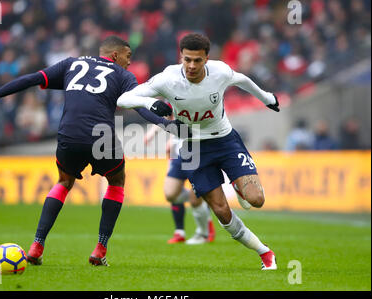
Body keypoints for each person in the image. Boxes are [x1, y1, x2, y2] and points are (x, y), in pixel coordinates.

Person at [0, 36, 177, 266]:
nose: (129, 62)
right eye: (128, 56)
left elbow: (29, 80)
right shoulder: (123, 76)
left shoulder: (71, 64)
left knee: (64, 182)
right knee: (116, 182)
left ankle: (36, 245)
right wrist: (168, 126)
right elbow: (140, 107)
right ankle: (100, 248)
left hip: (69, 134)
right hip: (100, 137)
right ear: (116, 55)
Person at [117, 33, 279, 270]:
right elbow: (123, 99)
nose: (191, 66)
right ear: (181, 57)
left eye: (197, 61)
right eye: (187, 60)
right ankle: (264, 252)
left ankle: (236, 184)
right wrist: (149, 103)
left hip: (225, 141)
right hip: (193, 148)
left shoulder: (220, 72)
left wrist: (266, 98)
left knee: (257, 199)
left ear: (207, 59)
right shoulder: (168, 79)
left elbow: (242, 79)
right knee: (222, 211)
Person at [144, 119, 215, 245]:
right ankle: (203, 201)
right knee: (171, 194)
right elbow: (166, 117)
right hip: (177, 152)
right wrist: (153, 134)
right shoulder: (169, 102)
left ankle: (202, 233)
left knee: (195, 197)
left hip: (196, 149)